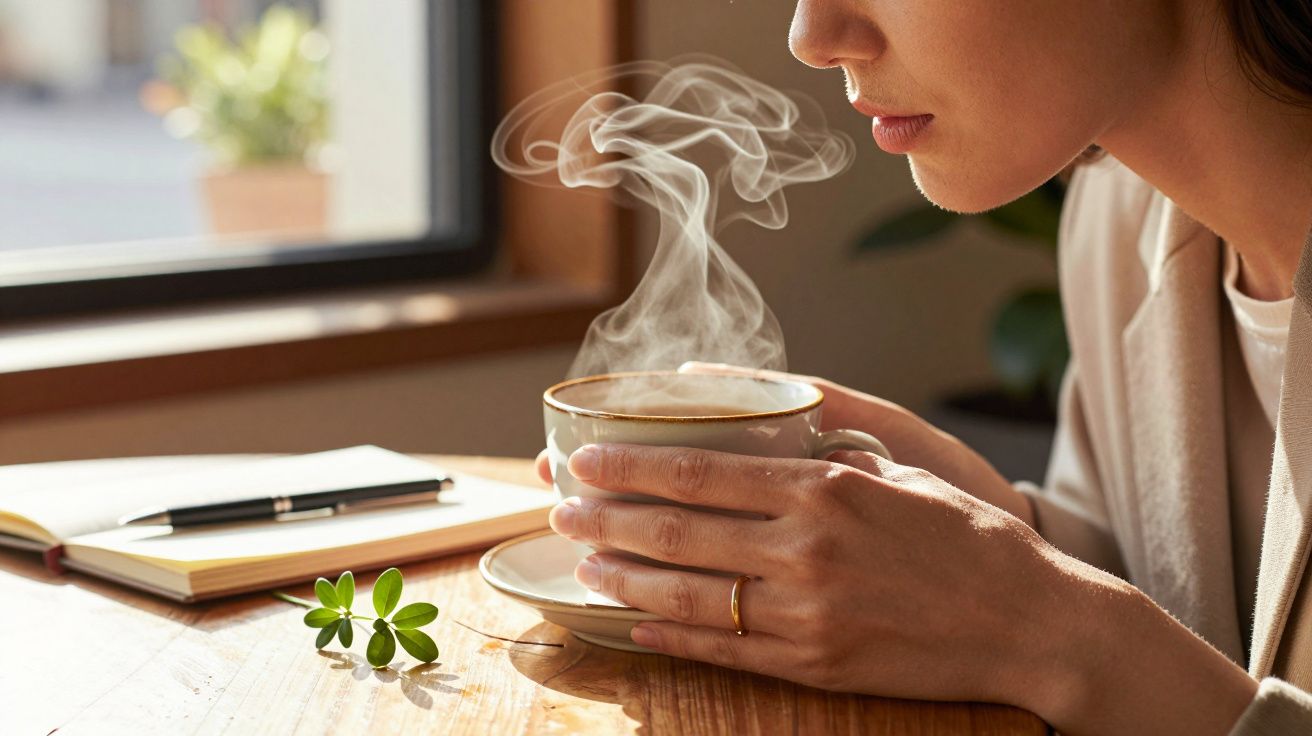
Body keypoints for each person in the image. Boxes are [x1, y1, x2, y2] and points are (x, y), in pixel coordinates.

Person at [534, 1, 1312, 732]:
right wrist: (1000, 537)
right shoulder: (1120, 221)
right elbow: (1191, 605)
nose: (813, 33)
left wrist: (1044, 631)